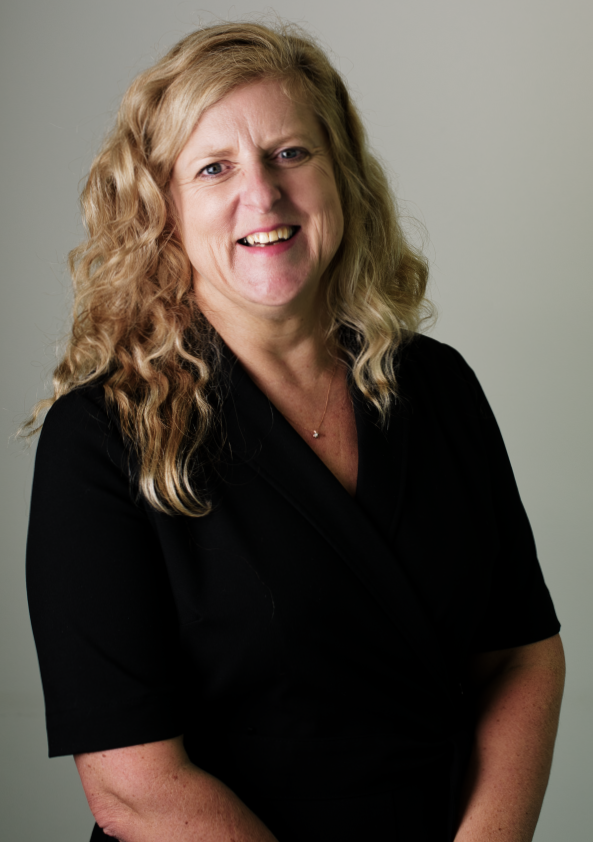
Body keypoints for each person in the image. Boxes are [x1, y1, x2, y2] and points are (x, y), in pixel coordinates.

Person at [25, 21, 565, 842]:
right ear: (163, 209)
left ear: (340, 173)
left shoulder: (437, 386)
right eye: (214, 168)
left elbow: (520, 655)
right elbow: (133, 785)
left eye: (289, 153)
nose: (263, 194)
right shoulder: (99, 438)